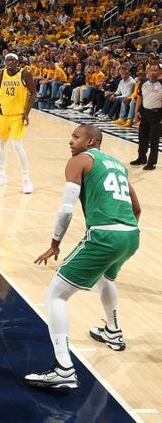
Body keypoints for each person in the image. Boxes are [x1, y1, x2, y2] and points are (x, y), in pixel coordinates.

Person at [24, 125, 140, 389]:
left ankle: (63, 368)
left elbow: (66, 208)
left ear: (91, 141)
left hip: (105, 236)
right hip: (131, 234)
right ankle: (113, 331)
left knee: (55, 295)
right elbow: (136, 207)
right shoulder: (118, 165)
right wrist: (125, 232)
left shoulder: (79, 161)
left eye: (76, 137)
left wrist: (55, 243)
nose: (70, 142)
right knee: (105, 279)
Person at [0, 52, 37, 193]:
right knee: (1, 145)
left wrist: (27, 113)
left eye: (12, 60)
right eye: (7, 60)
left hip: (18, 116)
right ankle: (2, 174)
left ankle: (26, 179)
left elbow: (34, 93)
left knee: (17, 146)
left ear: (18, 62)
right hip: (4, 116)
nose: (9, 62)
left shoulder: (25, 73)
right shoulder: (0, 74)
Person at [130, 64, 161, 171]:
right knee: (142, 138)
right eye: (151, 70)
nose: (153, 72)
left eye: (155, 70)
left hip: (156, 114)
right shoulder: (143, 83)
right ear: (148, 71)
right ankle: (141, 158)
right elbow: (139, 99)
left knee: (154, 140)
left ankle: (151, 162)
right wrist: (136, 113)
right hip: (144, 113)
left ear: (159, 72)